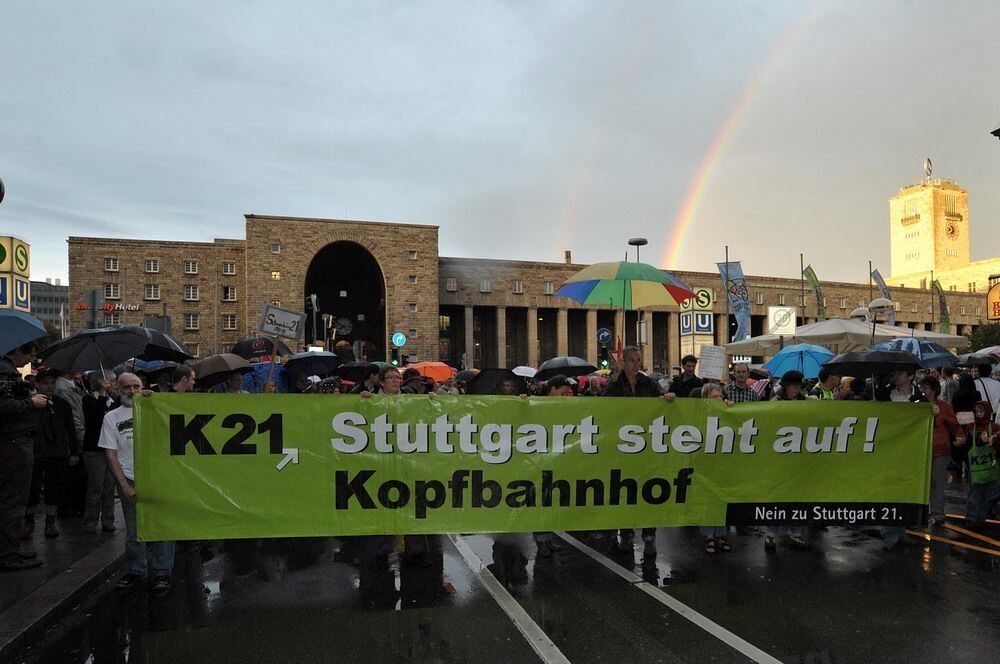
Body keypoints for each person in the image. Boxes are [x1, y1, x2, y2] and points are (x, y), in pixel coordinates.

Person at [100, 372, 175, 592]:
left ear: (143, 388)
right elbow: (110, 454)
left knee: (163, 528)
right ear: (118, 390)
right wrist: (123, 484)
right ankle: (136, 569)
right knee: (134, 531)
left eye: (136, 386)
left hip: (160, 477)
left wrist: (157, 401)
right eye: (126, 387)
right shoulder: (111, 418)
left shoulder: (157, 409)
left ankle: (162, 572)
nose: (132, 391)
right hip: (130, 478)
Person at [603, 345, 675, 558]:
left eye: (638, 360)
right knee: (625, 491)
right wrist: (615, 381)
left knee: (647, 491)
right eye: (632, 360)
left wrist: (668, 397)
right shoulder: (616, 384)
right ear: (623, 363)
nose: (636, 364)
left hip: (645, 447)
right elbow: (603, 405)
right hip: (622, 448)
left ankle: (649, 537)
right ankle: (625, 533)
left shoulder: (647, 382)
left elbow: (662, 397)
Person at [1, 341, 49, 571]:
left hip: (15, 441)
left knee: (14, 500)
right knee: (12, 501)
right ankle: (7, 555)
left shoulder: (7, 371)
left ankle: (12, 549)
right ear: (18, 350)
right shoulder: (4, 371)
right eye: (30, 354)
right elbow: (3, 405)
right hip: (12, 443)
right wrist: (31, 402)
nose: (30, 360)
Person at [23, 369, 81, 539]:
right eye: (45, 383)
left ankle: (50, 522)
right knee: (32, 488)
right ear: (37, 384)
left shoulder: (62, 404)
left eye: (52, 383)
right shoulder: (30, 403)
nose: (49, 387)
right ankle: (29, 520)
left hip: (57, 451)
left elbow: (70, 429)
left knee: (54, 487)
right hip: (36, 452)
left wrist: (73, 452)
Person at [763, 370, 810, 551]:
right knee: (777, 495)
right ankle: (771, 534)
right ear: (786, 386)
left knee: (798, 496)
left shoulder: (805, 403)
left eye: (799, 386)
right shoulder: (776, 403)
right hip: (780, 458)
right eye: (794, 386)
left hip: (799, 457)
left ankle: (795, 533)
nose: (796, 389)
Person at [917, 376, 964, 525]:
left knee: (937, 482)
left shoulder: (944, 406)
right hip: (921, 448)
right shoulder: (918, 405)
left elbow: (953, 424)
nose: (923, 391)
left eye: (925, 388)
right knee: (923, 482)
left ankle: (938, 513)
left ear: (933, 390)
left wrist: (959, 435)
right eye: (922, 387)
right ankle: (923, 511)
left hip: (939, 448)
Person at [699, 383, 732, 554]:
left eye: (720, 396)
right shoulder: (699, 416)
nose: (718, 399)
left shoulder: (727, 413)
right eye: (714, 397)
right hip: (706, 463)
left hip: (722, 463)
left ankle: (721, 533)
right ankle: (709, 535)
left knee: (721, 499)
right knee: (707, 499)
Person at [82, 372, 117, 534]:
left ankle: (108, 519)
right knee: (95, 486)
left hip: (111, 448)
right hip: (94, 449)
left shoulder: (114, 401)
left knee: (109, 486)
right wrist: (102, 395)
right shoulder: (89, 399)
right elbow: (95, 418)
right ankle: (90, 520)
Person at [963, 401, 1000, 526]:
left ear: (987, 412)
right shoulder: (971, 427)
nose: (978, 414)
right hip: (979, 466)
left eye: (981, 411)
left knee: (986, 493)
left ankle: (980, 518)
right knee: (975, 493)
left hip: (983, 465)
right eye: (977, 411)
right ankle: (972, 518)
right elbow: (967, 443)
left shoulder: (993, 427)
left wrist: (993, 439)